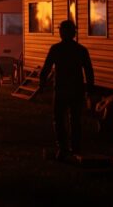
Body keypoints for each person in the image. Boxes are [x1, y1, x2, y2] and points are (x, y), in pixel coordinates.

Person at [38, 20, 94, 160]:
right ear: (74, 33)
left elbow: (46, 67)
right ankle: (75, 147)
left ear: (62, 33)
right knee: (75, 119)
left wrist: (42, 83)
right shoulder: (81, 50)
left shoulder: (56, 49)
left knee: (59, 119)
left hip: (61, 89)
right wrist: (90, 89)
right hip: (77, 89)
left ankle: (62, 148)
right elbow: (89, 71)